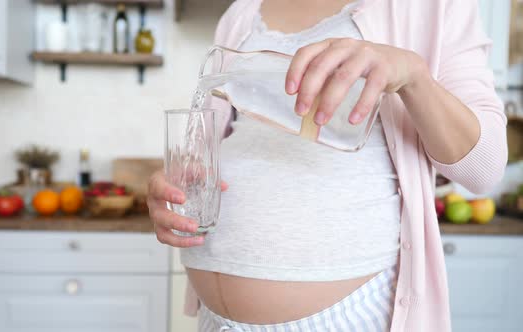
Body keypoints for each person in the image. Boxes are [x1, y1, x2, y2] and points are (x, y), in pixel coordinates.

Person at [147, 0, 508, 331]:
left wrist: (413, 76)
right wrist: (175, 184)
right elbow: (206, 144)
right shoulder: (242, 11)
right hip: (215, 318)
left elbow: (484, 169)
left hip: (345, 315)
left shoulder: (431, 5)